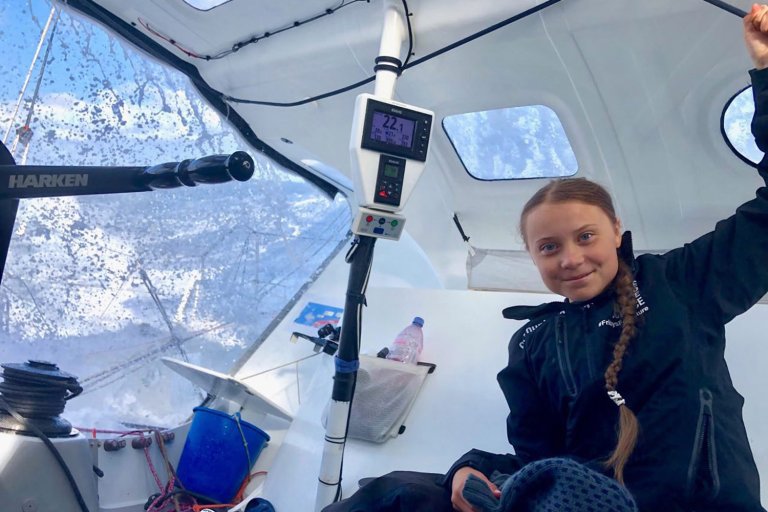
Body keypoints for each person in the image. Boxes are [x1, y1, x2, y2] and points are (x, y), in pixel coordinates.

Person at [323, 4, 768, 511]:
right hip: (581, 503)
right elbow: (537, 458)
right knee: (394, 493)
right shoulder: (531, 341)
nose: (571, 259)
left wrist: (766, 69)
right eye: (549, 247)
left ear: (616, 231)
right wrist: (470, 468)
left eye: (586, 236)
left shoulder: (680, 283)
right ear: (534, 257)